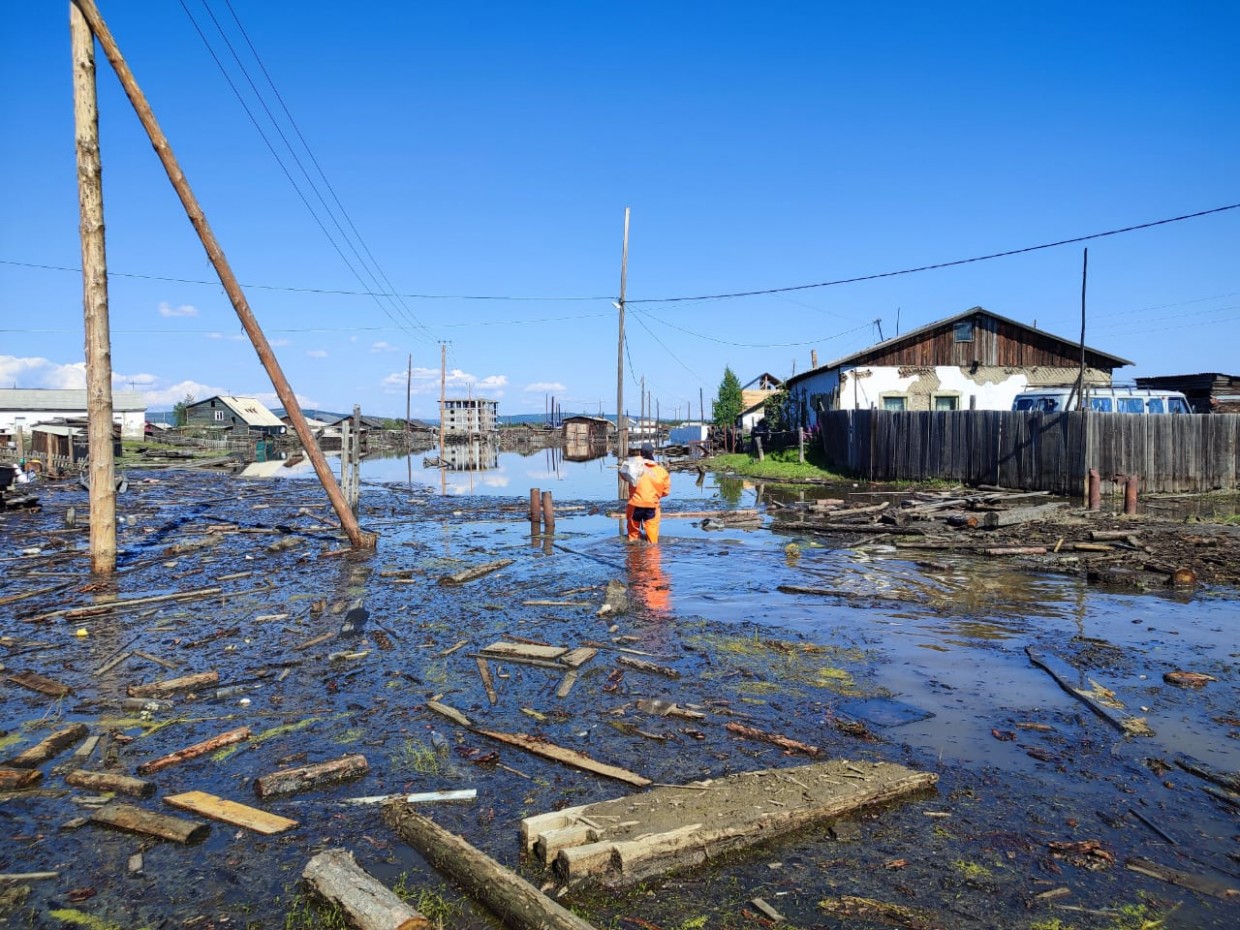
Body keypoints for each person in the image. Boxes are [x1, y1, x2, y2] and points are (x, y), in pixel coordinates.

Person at [624, 442, 670, 543]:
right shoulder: (662, 472)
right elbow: (665, 492)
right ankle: (652, 552)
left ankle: (634, 551)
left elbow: (623, 473)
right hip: (652, 506)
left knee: (633, 537)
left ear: (640, 453)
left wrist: (636, 460)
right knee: (652, 540)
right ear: (653, 453)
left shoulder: (634, 468)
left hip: (635, 505)